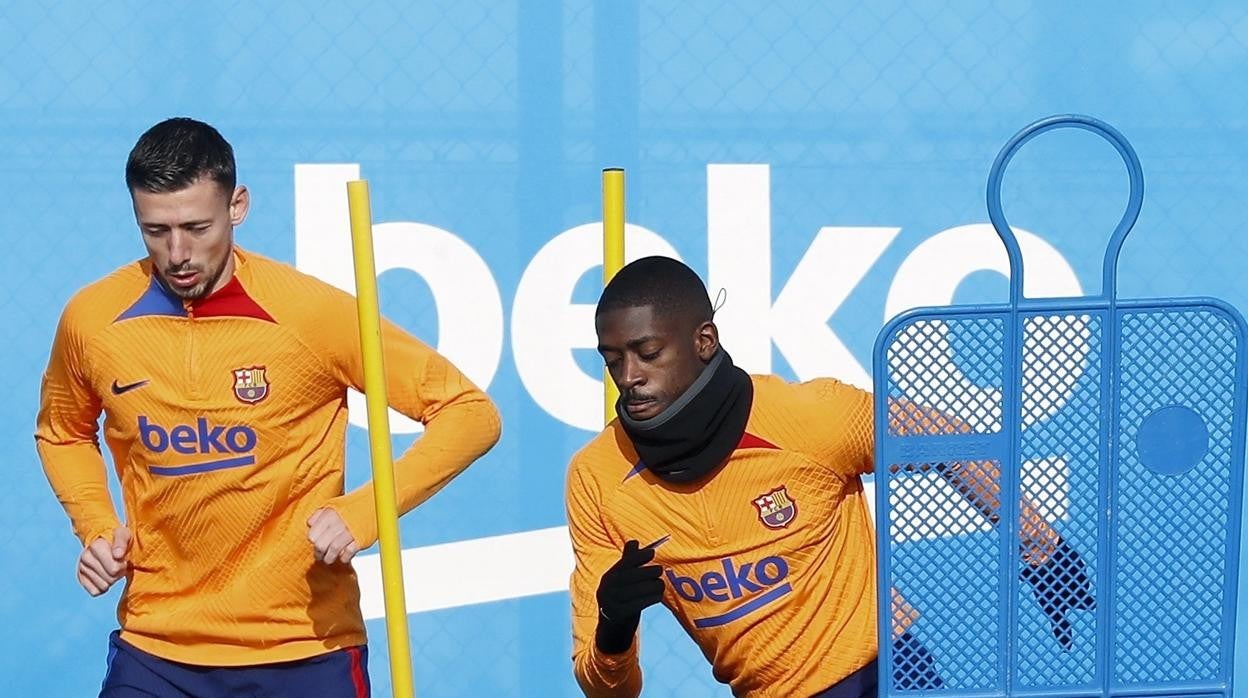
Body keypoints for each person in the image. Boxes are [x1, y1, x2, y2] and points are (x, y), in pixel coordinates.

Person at [34, 117, 502, 698]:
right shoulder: (93, 318)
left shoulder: (310, 314)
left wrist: (366, 512)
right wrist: (97, 528)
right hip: (158, 649)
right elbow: (62, 432)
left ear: (238, 206)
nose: (177, 253)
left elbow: (469, 413)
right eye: (155, 230)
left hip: (305, 649)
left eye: (196, 227)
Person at [565, 256, 1093, 697]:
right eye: (613, 361)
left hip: (889, 676)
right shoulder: (597, 478)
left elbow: (955, 444)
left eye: (648, 353)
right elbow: (608, 690)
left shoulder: (810, 417)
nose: (629, 377)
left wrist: (1042, 550)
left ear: (704, 341)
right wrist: (614, 629)